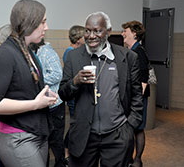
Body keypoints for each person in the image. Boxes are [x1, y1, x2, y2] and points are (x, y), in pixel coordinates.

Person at [59, 11, 143, 167]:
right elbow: (63, 93)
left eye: (97, 30)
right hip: (84, 135)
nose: (91, 35)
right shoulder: (74, 57)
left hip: (117, 135)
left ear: (108, 32)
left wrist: (129, 126)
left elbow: (137, 96)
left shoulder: (128, 57)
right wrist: (75, 81)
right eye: (87, 30)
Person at [0, 0, 57, 167]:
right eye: (43, 22)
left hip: (37, 133)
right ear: (29, 22)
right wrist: (35, 104)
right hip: (17, 138)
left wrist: (45, 95)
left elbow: (23, 89)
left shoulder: (27, 51)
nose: (46, 27)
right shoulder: (5, 54)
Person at [31, 39, 66, 167]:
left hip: (54, 105)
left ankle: (60, 164)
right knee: (45, 140)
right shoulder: (35, 52)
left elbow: (57, 75)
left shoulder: (47, 52)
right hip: (45, 104)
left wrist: (36, 78)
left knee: (56, 141)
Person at [121, 20, 150, 167]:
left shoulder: (139, 52)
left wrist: (135, 102)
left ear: (134, 33)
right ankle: (130, 158)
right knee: (132, 129)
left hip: (138, 98)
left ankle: (137, 160)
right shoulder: (131, 50)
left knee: (138, 128)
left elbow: (144, 80)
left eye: (125, 31)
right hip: (132, 97)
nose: (122, 34)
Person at [62, 25, 85, 164]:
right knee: (76, 126)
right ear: (78, 39)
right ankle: (67, 152)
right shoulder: (70, 52)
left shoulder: (74, 51)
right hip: (73, 96)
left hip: (77, 94)